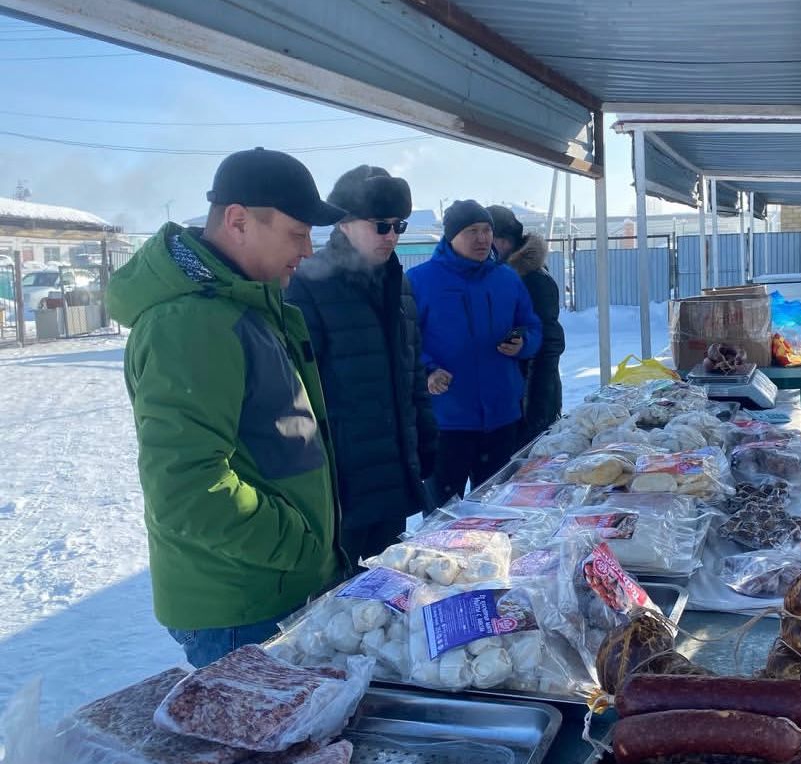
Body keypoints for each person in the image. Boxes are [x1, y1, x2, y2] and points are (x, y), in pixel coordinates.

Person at [106, 147, 347, 668]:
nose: (308, 250)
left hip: (271, 585)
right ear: (238, 221)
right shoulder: (189, 323)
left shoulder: (244, 304)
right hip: (245, 604)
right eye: (297, 233)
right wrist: (300, 546)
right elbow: (187, 489)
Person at [285, 165, 438, 564]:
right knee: (338, 589)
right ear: (344, 223)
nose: (392, 236)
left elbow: (412, 374)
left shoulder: (399, 285)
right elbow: (296, 394)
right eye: (381, 226)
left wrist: (425, 437)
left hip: (392, 471)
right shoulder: (308, 284)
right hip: (340, 481)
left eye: (399, 226)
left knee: (386, 581)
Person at [409, 200, 543, 504]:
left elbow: (533, 327)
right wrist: (428, 370)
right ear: (451, 236)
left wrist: (523, 343)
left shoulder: (507, 278)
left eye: (486, 230)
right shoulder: (420, 281)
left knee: (497, 510)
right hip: (447, 421)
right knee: (444, 516)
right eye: (471, 231)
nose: (482, 238)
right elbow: (406, 342)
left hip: (502, 417)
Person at [486, 205, 566, 444]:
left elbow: (549, 345)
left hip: (530, 399)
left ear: (504, 240)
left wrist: (536, 411)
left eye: (488, 237)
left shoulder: (533, 279)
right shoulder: (500, 276)